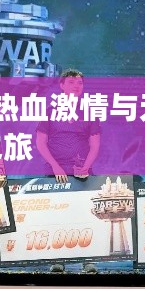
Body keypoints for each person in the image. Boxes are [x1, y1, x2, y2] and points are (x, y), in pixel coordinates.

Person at [35, 68, 101, 273]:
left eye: (79, 83)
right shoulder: (50, 110)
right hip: (54, 170)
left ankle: (87, 260)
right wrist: (55, 166)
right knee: (58, 215)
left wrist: (86, 166)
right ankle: (58, 259)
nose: (76, 86)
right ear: (62, 86)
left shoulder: (89, 111)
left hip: (82, 170)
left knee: (85, 214)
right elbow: (40, 142)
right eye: (71, 82)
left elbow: (95, 144)